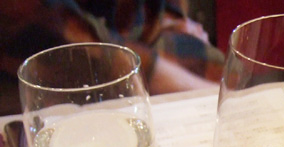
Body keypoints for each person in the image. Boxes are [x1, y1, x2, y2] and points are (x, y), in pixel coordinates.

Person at [0, 0, 224, 115]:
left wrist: (170, 19)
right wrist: (215, 97)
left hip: (135, 40)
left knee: (228, 73)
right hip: (41, 79)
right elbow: (79, 48)